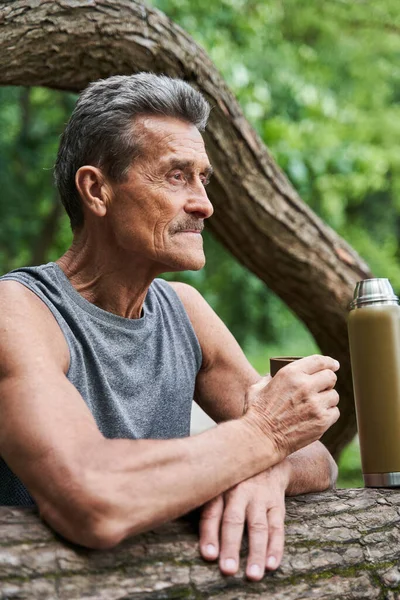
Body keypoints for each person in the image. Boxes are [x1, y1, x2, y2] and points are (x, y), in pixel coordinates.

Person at [0, 73, 340, 582]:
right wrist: (263, 436)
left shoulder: (184, 308)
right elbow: (92, 499)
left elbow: (316, 456)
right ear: (97, 190)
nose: (204, 204)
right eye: (177, 176)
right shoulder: (19, 310)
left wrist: (269, 465)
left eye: (203, 179)